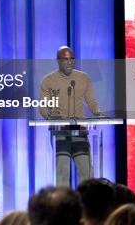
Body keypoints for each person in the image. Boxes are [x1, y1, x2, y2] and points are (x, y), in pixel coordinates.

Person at [39, 46, 104, 186]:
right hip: (61, 133)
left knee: (86, 173)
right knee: (62, 171)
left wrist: (98, 112)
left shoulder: (83, 78)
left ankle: (87, 205)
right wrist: (50, 117)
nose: (69, 62)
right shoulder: (48, 80)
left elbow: (91, 100)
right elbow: (43, 107)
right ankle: (64, 205)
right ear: (58, 61)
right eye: (65, 59)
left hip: (79, 131)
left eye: (72, 59)